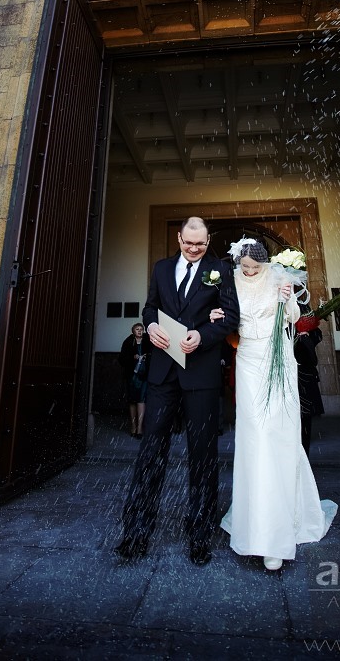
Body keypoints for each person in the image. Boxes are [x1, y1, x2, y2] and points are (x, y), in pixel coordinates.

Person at [115, 216, 240, 566]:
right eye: (188, 242)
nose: (194, 248)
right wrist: (152, 324)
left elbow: (231, 318)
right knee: (150, 452)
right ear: (179, 237)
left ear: (208, 239)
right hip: (163, 375)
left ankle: (200, 535)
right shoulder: (161, 267)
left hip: (200, 376)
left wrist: (203, 335)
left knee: (203, 457)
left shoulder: (221, 269)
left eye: (200, 243)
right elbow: (150, 305)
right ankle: (136, 533)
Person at [212, 239, 337, 570]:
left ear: (264, 263)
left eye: (254, 267)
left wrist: (288, 301)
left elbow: (295, 317)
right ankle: (253, 520)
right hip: (249, 359)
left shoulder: (279, 277)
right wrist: (216, 315)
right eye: (244, 267)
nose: (249, 272)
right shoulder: (230, 281)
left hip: (278, 359)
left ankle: (281, 524)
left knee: (278, 436)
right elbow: (228, 322)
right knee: (254, 437)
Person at [295, 305, 324, 456]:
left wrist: (305, 337)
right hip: (289, 374)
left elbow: (318, 336)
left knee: (305, 418)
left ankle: (304, 454)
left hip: (304, 374)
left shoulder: (304, 309)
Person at [118, 322, 152, 438]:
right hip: (132, 376)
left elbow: (154, 355)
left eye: (141, 329)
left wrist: (147, 357)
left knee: (141, 400)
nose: (139, 331)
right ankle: (133, 426)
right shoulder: (128, 342)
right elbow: (121, 359)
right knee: (132, 400)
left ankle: (139, 428)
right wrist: (132, 357)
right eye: (137, 329)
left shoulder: (147, 340)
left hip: (144, 376)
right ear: (133, 331)